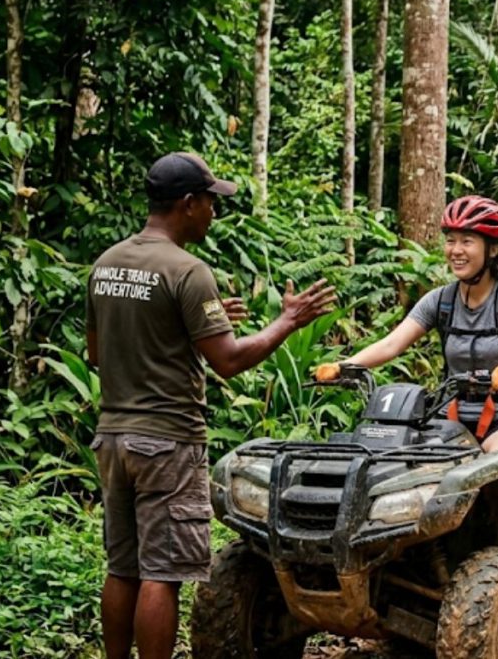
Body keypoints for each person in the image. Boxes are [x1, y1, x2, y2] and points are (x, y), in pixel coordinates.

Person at [86, 152, 336, 659]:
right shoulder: (188, 270)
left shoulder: (107, 263)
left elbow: (98, 352)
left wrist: (185, 325)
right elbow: (228, 360)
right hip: (167, 443)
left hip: (112, 438)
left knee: (122, 567)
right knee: (163, 573)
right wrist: (288, 322)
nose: (213, 214)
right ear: (187, 204)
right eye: (209, 203)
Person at [314, 195, 498, 457]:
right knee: (404, 464)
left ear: (492, 248)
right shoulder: (440, 300)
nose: (456, 250)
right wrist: (343, 366)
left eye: (467, 241)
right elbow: (392, 343)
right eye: (451, 241)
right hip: (448, 417)